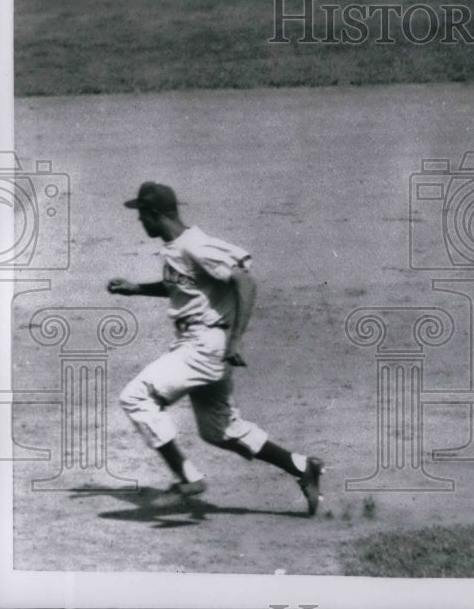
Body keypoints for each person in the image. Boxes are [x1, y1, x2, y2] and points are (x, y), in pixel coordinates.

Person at [108, 181, 324, 514]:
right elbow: (184, 289)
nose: (139, 221)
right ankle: (301, 466)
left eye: (141, 215)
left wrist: (236, 339)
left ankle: (187, 476)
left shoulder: (195, 245)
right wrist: (136, 289)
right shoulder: (176, 247)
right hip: (199, 345)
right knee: (221, 431)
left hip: (203, 345)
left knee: (135, 396)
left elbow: (245, 281)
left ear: (155, 214)